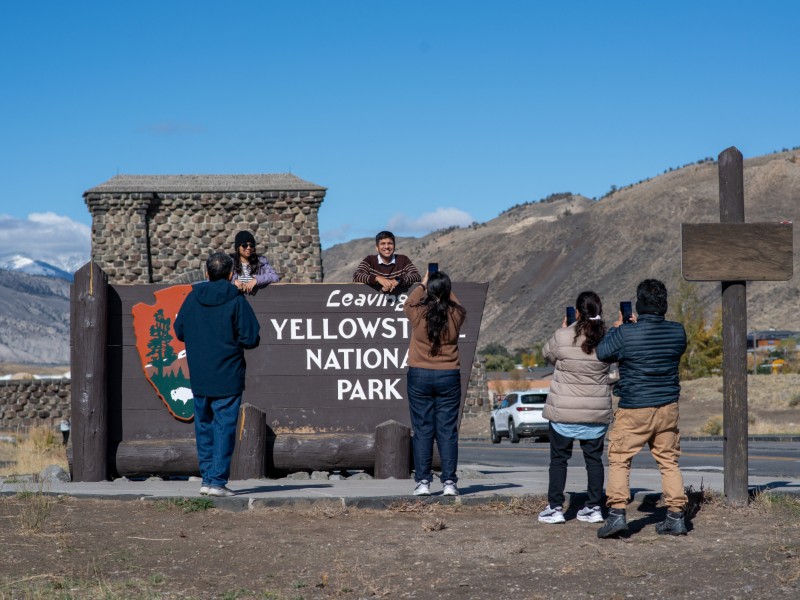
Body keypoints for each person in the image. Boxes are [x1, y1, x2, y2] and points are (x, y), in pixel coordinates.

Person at [595, 279, 689, 538]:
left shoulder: (626, 333)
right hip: (668, 406)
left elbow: (602, 353)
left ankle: (617, 515)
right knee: (668, 461)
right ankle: (676, 516)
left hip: (635, 407)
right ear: (664, 303)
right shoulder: (678, 331)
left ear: (640, 303)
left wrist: (617, 329)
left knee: (620, 458)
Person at [174, 252, 261, 497]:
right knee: (224, 427)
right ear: (231, 274)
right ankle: (217, 482)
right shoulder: (236, 300)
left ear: (206, 273)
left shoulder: (192, 297)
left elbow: (179, 331)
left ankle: (207, 479)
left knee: (204, 426)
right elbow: (251, 337)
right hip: (228, 373)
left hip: (200, 373)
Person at [538, 291, 612, 525]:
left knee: (559, 460)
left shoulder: (562, 336)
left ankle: (555, 508)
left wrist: (566, 328)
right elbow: (616, 366)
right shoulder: (607, 338)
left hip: (564, 411)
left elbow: (547, 355)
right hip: (595, 411)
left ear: (577, 312)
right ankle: (594, 507)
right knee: (594, 460)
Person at [403, 270, 466, 496]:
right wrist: (445, 289)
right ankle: (449, 482)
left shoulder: (418, 313)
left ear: (429, 290)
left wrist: (423, 284)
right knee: (447, 431)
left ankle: (423, 482)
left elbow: (408, 303)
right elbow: (458, 304)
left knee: (423, 430)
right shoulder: (456, 314)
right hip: (448, 375)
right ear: (447, 291)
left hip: (419, 374)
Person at [353, 230, 421, 293]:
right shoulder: (370, 260)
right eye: (383, 243)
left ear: (394, 246)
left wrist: (398, 280)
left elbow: (416, 276)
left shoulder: (403, 260)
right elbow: (356, 276)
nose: (386, 247)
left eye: (390, 243)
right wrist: (377, 278)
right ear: (377, 248)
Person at [230, 231, 279, 295]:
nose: (248, 248)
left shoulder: (261, 261)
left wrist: (256, 280)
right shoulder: (230, 262)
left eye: (251, 245)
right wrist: (234, 281)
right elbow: (219, 278)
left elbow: (275, 277)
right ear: (238, 247)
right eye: (244, 245)